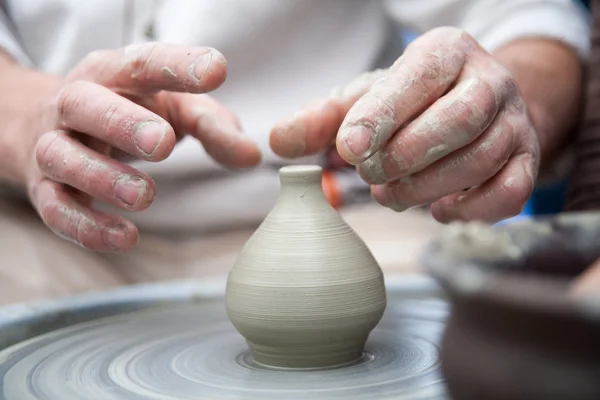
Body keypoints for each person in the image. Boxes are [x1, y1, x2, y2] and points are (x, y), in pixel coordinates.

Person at [0, 0, 590, 304]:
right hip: (46, 218)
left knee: (470, 336)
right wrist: (30, 117)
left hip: (353, 217)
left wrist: (502, 104)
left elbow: (526, 18)